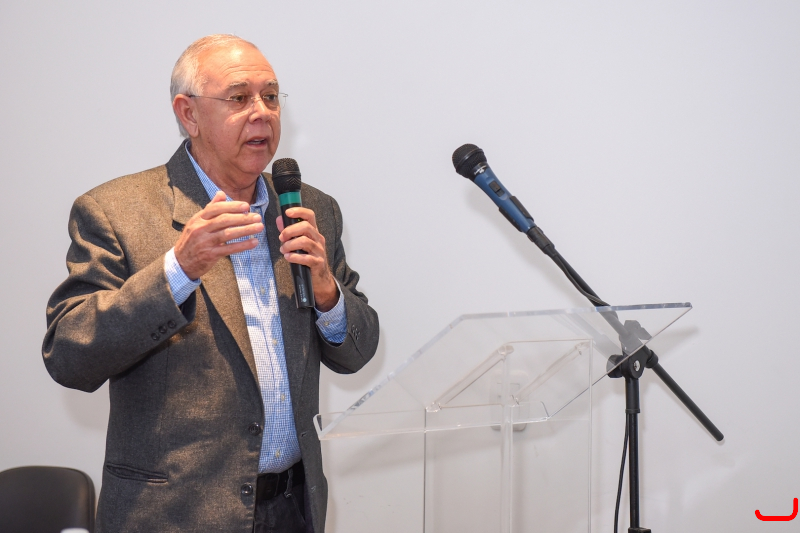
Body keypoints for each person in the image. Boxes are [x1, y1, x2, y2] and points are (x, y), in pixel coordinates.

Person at [42, 34, 379, 533]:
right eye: (239, 98)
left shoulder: (311, 208)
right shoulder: (116, 212)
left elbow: (358, 351)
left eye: (271, 96)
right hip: (174, 515)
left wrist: (328, 293)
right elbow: (69, 355)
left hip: (293, 508)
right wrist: (177, 271)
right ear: (189, 114)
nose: (262, 112)